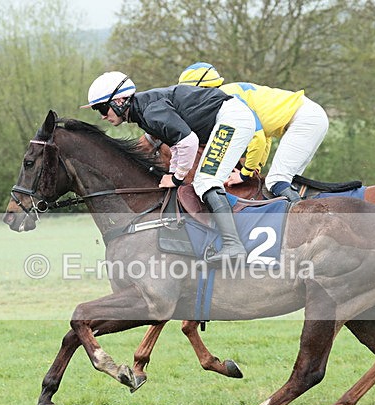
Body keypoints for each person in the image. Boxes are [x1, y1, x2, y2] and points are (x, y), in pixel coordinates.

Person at [82, 71, 259, 264]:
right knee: (204, 180)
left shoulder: (150, 111)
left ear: (119, 101)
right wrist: (174, 173)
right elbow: (176, 146)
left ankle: (233, 245)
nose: (102, 116)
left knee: (206, 181)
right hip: (229, 118)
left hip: (231, 119)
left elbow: (189, 142)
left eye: (101, 108)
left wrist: (176, 178)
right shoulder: (143, 111)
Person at [178, 62, 329, 202]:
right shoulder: (230, 91)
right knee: (287, 181)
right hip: (310, 116)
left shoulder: (227, 100)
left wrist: (244, 174)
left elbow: (259, 139)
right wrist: (256, 167)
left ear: (200, 88)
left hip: (305, 119)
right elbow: (265, 135)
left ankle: (303, 219)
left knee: (276, 181)